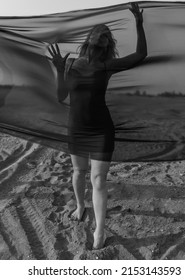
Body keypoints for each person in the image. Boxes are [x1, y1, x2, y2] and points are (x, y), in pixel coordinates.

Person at [47, 2, 147, 250]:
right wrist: (59, 70)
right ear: (89, 38)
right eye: (97, 33)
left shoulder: (107, 66)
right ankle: (80, 206)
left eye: (106, 35)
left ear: (107, 43)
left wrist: (138, 23)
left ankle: (99, 230)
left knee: (99, 180)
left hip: (102, 128)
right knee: (79, 172)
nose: (101, 36)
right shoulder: (72, 64)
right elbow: (61, 96)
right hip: (77, 127)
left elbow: (140, 55)